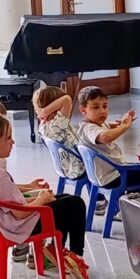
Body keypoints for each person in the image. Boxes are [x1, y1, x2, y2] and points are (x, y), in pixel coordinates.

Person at [0, 111, 89, 279]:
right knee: (76, 204)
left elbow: (7, 203)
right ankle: (76, 255)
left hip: (3, 224)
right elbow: (20, 213)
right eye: (8, 138)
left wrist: (38, 197)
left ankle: (54, 249)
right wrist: (41, 199)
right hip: (20, 227)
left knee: (63, 200)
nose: (12, 142)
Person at [33, 85, 108, 216]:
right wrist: (45, 110)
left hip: (67, 167)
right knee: (106, 165)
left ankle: (98, 201)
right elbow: (67, 99)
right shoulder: (57, 124)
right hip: (77, 167)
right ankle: (100, 201)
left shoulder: (43, 125)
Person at [77, 85, 140, 190]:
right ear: (83, 110)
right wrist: (124, 126)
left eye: (105, 106)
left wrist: (121, 122)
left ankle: (133, 197)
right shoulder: (89, 129)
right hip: (112, 177)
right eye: (96, 107)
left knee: (137, 171)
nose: (102, 111)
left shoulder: (96, 124)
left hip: (112, 173)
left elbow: (107, 126)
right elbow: (105, 137)